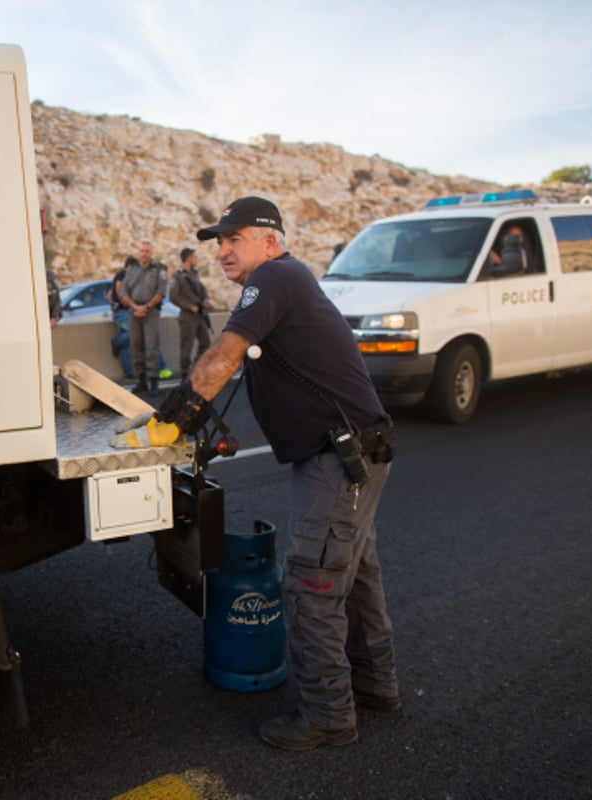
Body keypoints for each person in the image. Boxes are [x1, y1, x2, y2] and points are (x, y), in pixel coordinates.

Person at [127, 197, 400, 751]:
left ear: (270, 241)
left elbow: (223, 357)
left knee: (312, 582)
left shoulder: (275, 277)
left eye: (235, 239)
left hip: (339, 459)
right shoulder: (285, 280)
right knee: (356, 572)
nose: (222, 251)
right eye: (218, 242)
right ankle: (375, 686)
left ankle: (328, 714)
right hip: (352, 453)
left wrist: (171, 423)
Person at [119, 240, 168, 394]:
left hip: (150, 311)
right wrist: (135, 307)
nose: (144, 254)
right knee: (136, 346)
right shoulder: (132, 270)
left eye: (147, 251)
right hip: (134, 312)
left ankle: (153, 381)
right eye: (142, 251)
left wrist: (146, 307)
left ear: (151, 253)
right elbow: (123, 292)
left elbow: (161, 292)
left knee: (151, 346)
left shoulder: (159, 270)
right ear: (138, 252)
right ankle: (141, 380)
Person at [168, 247, 212, 376]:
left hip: (199, 314)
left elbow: (202, 290)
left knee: (205, 342)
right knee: (186, 347)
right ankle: (185, 374)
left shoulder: (194, 274)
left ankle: (196, 370)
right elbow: (173, 296)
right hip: (187, 316)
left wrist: (206, 300)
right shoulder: (177, 276)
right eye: (194, 257)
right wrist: (189, 306)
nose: (196, 259)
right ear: (188, 258)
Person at [108, 261, 135, 379]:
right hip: (123, 312)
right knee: (132, 334)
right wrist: (127, 304)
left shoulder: (121, 275)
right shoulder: (123, 275)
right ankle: (115, 341)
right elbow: (119, 292)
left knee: (126, 345)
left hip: (120, 311)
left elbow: (109, 295)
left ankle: (128, 371)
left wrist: (113, 304)